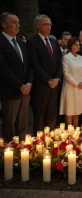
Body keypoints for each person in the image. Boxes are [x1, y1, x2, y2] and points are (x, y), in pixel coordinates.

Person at [0, 12, 33, 142]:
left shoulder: (21, 42)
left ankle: (22, 149)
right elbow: (3, 68)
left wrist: (29, 83)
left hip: (25, 90)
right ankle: (8, 154)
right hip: (10, 90)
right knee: (8, 124)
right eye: (14, 22)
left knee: (23, 124)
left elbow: (29, 66)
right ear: (3, 24)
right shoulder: (1, 42)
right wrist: (20, 85)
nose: (17, 25)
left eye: (18, 22)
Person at [27, 14, 62, 134]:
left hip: (55, 84)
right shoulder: (32, 41)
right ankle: (38, 143)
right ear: (38, 25)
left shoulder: (53, 42)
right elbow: (35, 65)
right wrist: (48, 80)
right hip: (41, 85)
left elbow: (59, 62)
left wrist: (57, 78)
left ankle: (50, 140)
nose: (49, 27)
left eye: (50, 24)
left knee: (52, 114)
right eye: (45, 24)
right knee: (39, 116)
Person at [59, 37, 82, 127]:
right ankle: (70, 130)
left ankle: (76, 129)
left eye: (79, 45)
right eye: (76, 45)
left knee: (77, 109)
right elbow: (66, 73)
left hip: (80, 86)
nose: (78, 46)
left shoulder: (81, 57)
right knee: (70, 110)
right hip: (70, 87)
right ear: (71, 46)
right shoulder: (66, 58)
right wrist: (76, 83)